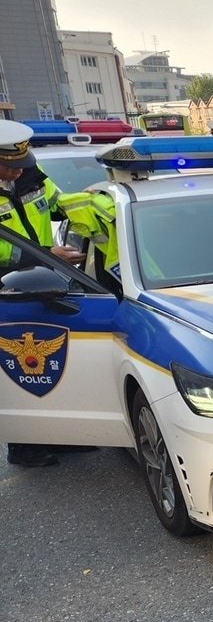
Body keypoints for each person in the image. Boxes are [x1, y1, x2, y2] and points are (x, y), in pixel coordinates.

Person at [0, 120, 114, 467]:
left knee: (53, 363)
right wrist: (46, 252)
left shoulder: (32, 175)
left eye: (22, 165)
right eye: (9, 167)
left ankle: (61, 432)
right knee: (17, 365)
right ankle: (24, 444)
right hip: (8, 288)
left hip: (44, 278)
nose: (18, 174)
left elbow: (63, 204)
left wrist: (104, 204)